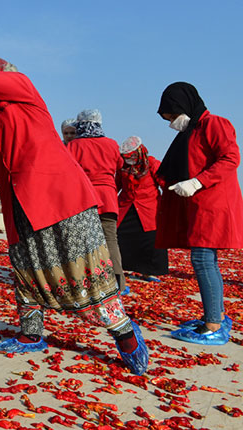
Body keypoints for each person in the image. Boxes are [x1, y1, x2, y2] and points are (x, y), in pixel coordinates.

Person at [0, 58, 148, 375]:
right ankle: (31, 334)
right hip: (20, 203)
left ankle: (125, 336)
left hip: (61, 199)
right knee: (27, 269)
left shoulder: (22, 90)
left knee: (88, 270)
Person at [155, 82, 242, 345]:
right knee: (206, 261)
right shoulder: (191, 131)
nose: (171, 122)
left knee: (203, 260)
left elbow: (230, 158)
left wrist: (198, 181)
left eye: (171, 116)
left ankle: (213, 323)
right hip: (199, 205)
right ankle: (216, 316)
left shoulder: (214, 124)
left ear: (182, 106)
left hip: (212, 203)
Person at [67, 109, 128, 295]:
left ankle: (84, 280)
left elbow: (67, 170)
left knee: (81, 241)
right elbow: (120, 165)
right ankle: (118, 281)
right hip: (108, 198)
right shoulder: (111, 144)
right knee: (110, 240)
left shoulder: (74, 145)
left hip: (84, 198)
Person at [116, 136, 168, 282]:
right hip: (126, 206)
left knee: (150, 239)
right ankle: (123, 267)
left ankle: (149, 272)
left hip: (148, 207)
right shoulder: (123, 166)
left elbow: (164, 182)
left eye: (131, 156)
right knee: (121, 236)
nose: (129, 160)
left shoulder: (151, 163)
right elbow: (116, 185)